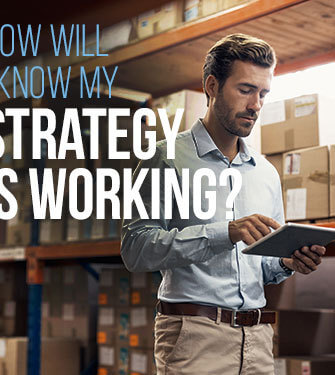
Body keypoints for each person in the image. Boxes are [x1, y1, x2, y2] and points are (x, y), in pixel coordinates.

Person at [120, 34, 326, 375]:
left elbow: (264, 265)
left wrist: (288, 261)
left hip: (258, 339)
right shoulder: (165, 158)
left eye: (263, 94)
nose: (256, 105)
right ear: (212, 86)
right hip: (194, 338)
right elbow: (135, 249)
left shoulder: (266, 173)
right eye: (245, 90)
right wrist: (225, 233)